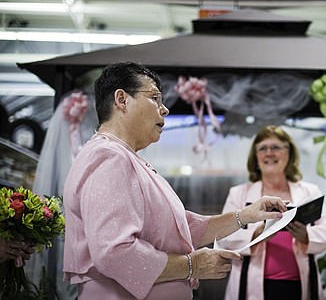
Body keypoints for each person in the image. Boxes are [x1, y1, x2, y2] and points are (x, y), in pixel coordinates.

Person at [62, 61, 288, 300]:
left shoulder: (125, 157)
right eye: (155, 98)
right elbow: (114, 252)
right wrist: (192, 265)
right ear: (122, 100)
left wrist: (246, 215)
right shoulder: (108, 156)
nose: (165, 109)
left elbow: (181, 231)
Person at [218, 125, 326, 300]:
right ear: (255, 157)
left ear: (289, 154)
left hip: (298, 287)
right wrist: (256, 234)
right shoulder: (239, 194)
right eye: (262, 149)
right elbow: (224, 236)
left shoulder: (310, 192)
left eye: (276, 147)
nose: (269, 153)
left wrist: (306, 235)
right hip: (251, 286)